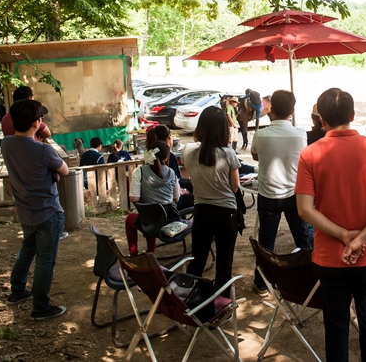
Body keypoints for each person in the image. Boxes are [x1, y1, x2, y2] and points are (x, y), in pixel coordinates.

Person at [296, 88, 366, 362]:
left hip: (331, 256)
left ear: (322, 120)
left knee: (336, 323)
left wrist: (345, 236)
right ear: (353, 115)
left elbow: (304, 209)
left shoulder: (309, 154)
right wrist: (361, 238)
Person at [1, 99, 69, 320]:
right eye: (40, 118)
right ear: (36, 123)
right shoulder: (43, 150)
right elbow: (65, 170)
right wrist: (52, 172)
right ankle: (40, 307)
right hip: (48, 212)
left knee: (27, 251)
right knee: (45, 261)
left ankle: (17, 291)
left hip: (25, 211)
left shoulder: (6, 144)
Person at [250, 90, 313, 296]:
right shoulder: (301, 134)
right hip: (295, 195)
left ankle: (261, 283)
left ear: (271, 110)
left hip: (269, 195)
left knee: (266, 242)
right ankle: (308, 279)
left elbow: (255, 156)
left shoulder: (261, 134)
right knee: (303, 240)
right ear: (292, 111)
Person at [182, 106, 241, 295]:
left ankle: (190, 299)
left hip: (201, 211)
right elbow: (235, 186)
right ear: (223, 129)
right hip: (226, 213)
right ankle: (221, 304)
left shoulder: (189, 150)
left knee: (197, 261)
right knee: (224, 265)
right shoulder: (228, 154)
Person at [124, 140, 181, 255]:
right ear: (166, 158)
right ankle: (150, 251)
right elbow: (176, 199)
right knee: (150, 216)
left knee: (134, 219)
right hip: (170, 219)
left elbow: (134, 198)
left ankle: (133, 252)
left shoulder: (139, 172)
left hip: (150, 221)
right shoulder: (171, 173)